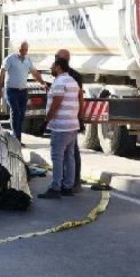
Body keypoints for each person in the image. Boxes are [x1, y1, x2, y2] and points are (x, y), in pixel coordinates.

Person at [37, 56, 81, 199]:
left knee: (57, 157)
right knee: (69, 157)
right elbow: (80, 98)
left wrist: (45, 121)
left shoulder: (60, 82)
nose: (50, 69)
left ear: (58, 67)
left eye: (52, 66)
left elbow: (57, 103)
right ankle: (68, 186)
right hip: (72, 125)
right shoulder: (73, 81)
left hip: (61, 126)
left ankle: (55, 188)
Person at [0, 41, 47, 143]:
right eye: (21, 49)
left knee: (22, 115)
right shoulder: (10, 59)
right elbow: (1, 74)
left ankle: (17, 136)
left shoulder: (28, 60)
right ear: (17, 49)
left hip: (23, 91)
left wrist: (43, 83)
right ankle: (16, 138)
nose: (23, 52)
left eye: (25, 50)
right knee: (16, 112)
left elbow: (35, 73)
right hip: (11, 90)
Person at [56, 48, 85, 192]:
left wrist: (80, 117)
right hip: (67, 120)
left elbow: (80, 97)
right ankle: (68, 181)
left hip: (69, 120)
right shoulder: (60, 74)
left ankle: (72, 181)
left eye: (57, 58)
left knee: (70, 152)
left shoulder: (74, 76)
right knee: (68, 153)